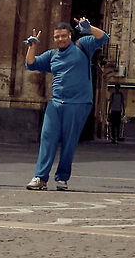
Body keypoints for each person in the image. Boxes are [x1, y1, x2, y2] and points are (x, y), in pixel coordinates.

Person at [24, 17, 109, 190]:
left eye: (63, 35)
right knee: (47, 138)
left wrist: (89, 27)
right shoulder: (52, 55)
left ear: (70, 35)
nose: (60, 39)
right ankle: (40, 178)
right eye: (57, 37)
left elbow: (103, 37)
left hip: (78, 103)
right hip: (56, 103)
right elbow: (31, 64)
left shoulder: (83, 45)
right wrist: (32, 47)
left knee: (69, 142)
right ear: (54, 38)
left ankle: (62, 178)